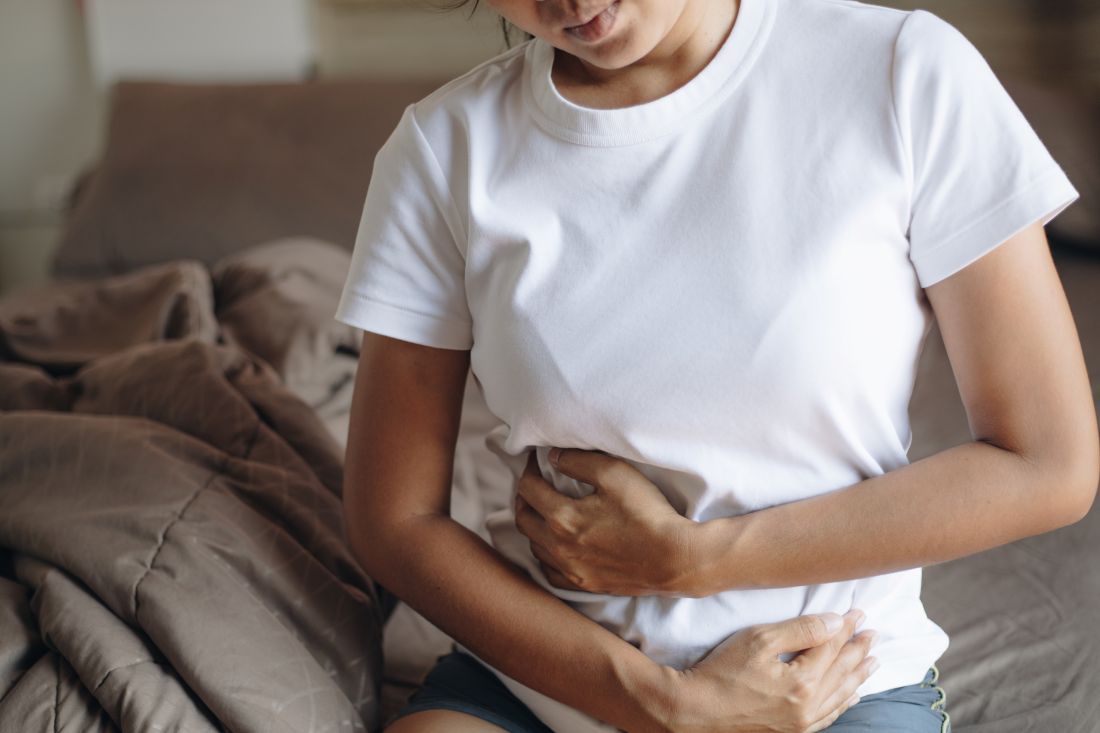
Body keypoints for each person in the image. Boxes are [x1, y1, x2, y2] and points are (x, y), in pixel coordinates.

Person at [335, 0, 1099, 730]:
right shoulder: (443, 150)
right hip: (547, 682)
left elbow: (1047, 463)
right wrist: (658, 701)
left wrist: (690, 561)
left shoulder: (903, 71)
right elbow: (394, 517)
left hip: (818, 687)